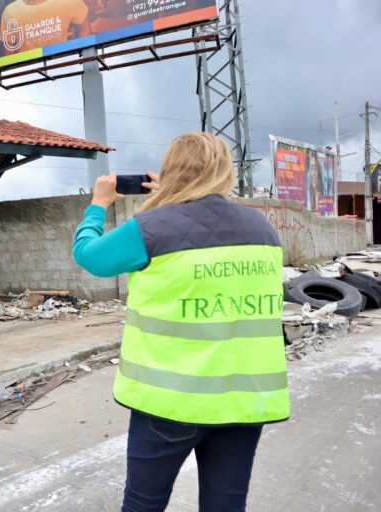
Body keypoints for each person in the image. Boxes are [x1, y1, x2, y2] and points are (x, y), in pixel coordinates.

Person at [73, 132, 289, 512]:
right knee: (226, 504)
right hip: (242, 401)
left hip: (169, 403)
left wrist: (98, 204)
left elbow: (89, 255)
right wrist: (169, 198)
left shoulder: (152, 228)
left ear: (170, 171)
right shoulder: (263, 232)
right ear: (224, 171)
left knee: (143, 505)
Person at [0, 0, 91, 55]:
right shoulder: (10, 11)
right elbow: (9, 54)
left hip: (61, 63)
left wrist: (77, 56)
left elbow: (85, 29)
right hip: (28, 73)